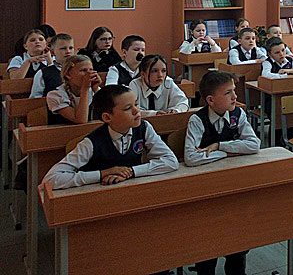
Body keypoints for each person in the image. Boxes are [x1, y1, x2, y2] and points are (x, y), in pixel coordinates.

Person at [184, 71, 260, 274]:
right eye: (228, 93)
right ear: (210, 100)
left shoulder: (238, 113)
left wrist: (220, 146)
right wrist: (231, 151)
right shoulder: (197, 120)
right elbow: (191, 158)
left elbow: (254, 144)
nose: (235, 97)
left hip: (234, 184)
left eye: (234, 91)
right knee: (208, 240)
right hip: (206, 189)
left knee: (237, 240)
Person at [42, 84, 178, 189]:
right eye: (128, 108)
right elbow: (50, 180)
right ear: (107, 117)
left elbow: (171, 161)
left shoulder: (144, 128)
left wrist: (132, 172)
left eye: (136, 104)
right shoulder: (91, 142)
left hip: (132, 189)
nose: (136, 111)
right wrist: (102, 174)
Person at [46, 54, 101, 125]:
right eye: (83, 70)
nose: (89, 74)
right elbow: (81, 120)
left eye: (91, 70)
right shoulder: (55, 95)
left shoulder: (94, 90)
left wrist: (96, 90)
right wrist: (85, 89)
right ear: (68, 75)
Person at [30, 33, 74, 98]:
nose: (68, 51)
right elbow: (35, 99)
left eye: (71, 48)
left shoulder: (80, 69)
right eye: (63, 48)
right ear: (52, 52)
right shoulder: (43, 73)